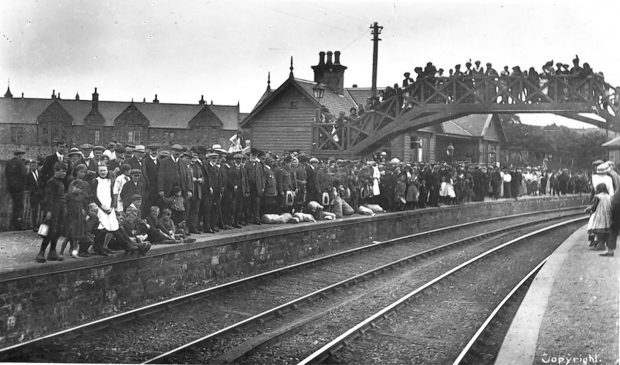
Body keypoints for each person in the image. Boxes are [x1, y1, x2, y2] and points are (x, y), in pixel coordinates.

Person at [36, 162, 67, 263]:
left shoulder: (61, 182)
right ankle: (41, 252)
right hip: (53, 208)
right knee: (51, 231)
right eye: (62, 171)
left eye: (65, 172)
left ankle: (52, 251)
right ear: (56, 171)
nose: (64, 173)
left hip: (61, 208)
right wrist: (48, 211)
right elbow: (48, 198)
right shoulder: (51, 182)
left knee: (58, 230)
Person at [585, 183, 612, 253]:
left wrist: (589, 210)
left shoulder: (597, 197)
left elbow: (594, 207)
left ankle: (601, 245)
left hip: (600, 215)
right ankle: (608, 245)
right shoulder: (609, 196)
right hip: (608, 215)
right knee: (607, 230)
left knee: (599, 230)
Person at [5, 150, 27, 230]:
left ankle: (13, 224)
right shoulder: (20, 163)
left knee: (14, 205)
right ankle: (18, 225)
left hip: (11, 188)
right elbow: (24, 174)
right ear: (20, 155)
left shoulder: (8, 162)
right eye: (22, 155)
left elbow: (6, 175)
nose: (22, 157)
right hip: (19, 188)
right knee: (19, 206)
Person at [25, 159, 44, 231]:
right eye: (32, 166)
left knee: (44, 209)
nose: (34, 167)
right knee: (34, 211)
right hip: (33, 195)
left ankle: (43, 225)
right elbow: (27, 185)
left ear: (37, 166)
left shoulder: (40, 173)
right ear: (30, 166)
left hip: (41, 194)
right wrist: (32, 190)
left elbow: (43, 182)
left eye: (35, 165)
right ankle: (34, 226)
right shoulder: (28, 175)